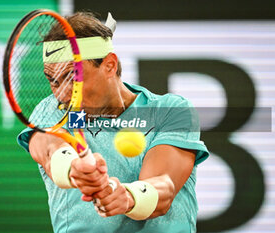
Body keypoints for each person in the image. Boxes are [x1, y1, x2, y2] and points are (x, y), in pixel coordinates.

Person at [17, 11, 209, 233]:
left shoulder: (169, 110)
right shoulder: (52, 111)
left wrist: (128, 197)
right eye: (53, 80)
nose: (62, 94)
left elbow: (164, 187)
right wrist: (73, 169)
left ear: (109, 65)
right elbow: (51, 152)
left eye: (72, 78)